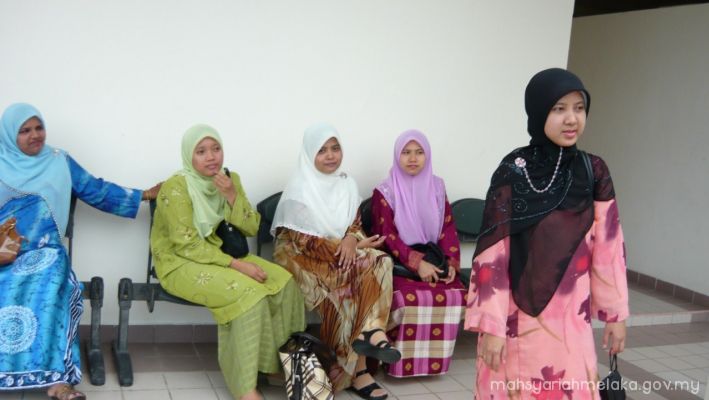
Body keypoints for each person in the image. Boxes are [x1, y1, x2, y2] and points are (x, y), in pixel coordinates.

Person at [465, 68, 629, 399]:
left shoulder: (593, 171)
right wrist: (492, 327)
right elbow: (493, 255)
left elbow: (609, 247)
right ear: (539, 111)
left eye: (579, 108)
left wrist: (615, 315)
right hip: (514, 322)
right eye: (559, 109)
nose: (571, 119)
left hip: (570, 325)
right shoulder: (513, 170)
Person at [0, 103, 160, 400]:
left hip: (45, 252)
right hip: (3, 254)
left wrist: (144, 195)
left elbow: (95, 190)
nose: (35, 135)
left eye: (39, 127)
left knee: (50, 286)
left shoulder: (58, 161)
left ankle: (57, 382)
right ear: (9, 134)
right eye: (24, 130)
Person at [150, 124, 304, 400]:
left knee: (285, 283)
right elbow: (186, 244)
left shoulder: (229, 180)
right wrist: (238, 266)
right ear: (188, 155)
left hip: (221, 255)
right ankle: (245, 387)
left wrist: (232, 196)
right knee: (250, 292)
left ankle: (273, 367)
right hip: (179, 263)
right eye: (201, 151)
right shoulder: (175, 188)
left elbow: (252, 227)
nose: (211, 157)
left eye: (216, 149)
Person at [271, 123, 398, 400]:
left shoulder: (346, 183)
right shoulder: (299, 189)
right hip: (299, 258)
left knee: (380, 262)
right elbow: (305, 243)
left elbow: (354, 224)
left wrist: (351, 239)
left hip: (339, 252)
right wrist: (351, 247)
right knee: (350, 290)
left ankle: (371, 333)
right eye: (322, 150)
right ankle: (356, 371)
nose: (330, 156)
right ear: (309, 155)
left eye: (335, 148)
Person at [370, 130, 466, 378]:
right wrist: (417, 263)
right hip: (399, 262)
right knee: (410, 298)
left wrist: (451, 263)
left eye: (419, 152)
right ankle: (397, 363)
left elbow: (447, 227)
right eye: (406, 152)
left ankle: (433, 365)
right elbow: (386, 235)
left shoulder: (437, 187)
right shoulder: (385, 191)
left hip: (433, 257)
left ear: (427, 155)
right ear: (397, 155)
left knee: (454, 293)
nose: (413, 158)